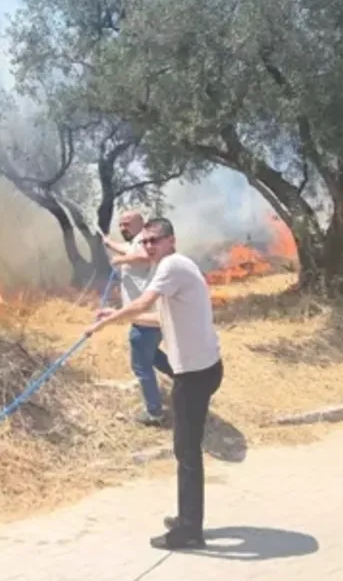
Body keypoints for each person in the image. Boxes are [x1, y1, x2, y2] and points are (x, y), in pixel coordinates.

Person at [87, 217, 224, 550]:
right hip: (198, 370)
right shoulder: (175, 266)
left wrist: (105, 324)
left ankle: (190, 531)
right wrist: (117, 317)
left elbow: (145, 302)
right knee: (184, 448)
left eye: (155, 241)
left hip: (194, 375)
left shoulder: (171, 266)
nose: (148, 246)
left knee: (187, 452)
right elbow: (159, 317)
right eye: (145, 241)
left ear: (171, 240)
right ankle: (186, 518)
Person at [102, 210, 170, 427]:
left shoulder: (146, 243)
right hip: (145, 316)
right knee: (153, 356)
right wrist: (109, 242)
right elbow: (128, 249)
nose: (123, 228)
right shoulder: (137, 242)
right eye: (120, 224)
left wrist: (120, 259)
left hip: (145, 318)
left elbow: (143, 256)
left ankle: (154, 413)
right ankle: (184, 379)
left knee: (141, 366)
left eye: (127, 224)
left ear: (141, 223)